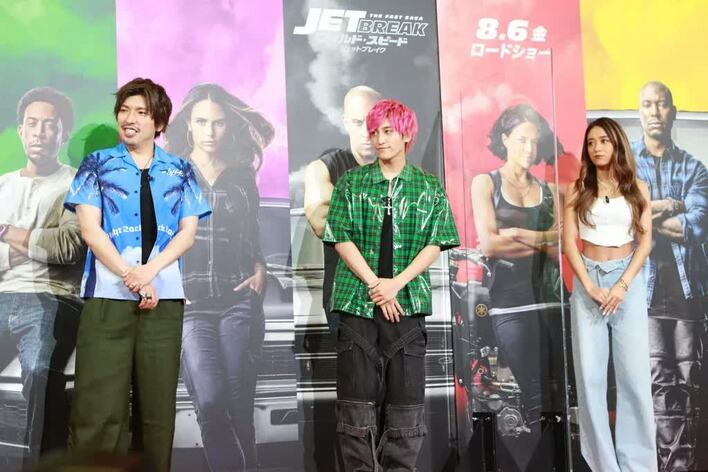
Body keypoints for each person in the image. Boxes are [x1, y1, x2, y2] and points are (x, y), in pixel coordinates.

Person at [64, 78, 211, 472]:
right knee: (98, 407)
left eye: (141, 112)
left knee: (157, 410)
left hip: (164, 300)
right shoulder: (97, 164)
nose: (129, 119)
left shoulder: (181, 169)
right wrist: (131, 274)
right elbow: (90, 230)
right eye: (124, 111)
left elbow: (188, 234)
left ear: (159, 123)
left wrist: (149, 273)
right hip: (107, 297)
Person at [323, 99, 459, 470]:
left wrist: (396, 283)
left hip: (407, 304)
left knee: (405, 405)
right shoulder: (352, 182)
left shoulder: (427, 186)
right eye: (374, 132)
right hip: (356, 303)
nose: (379, 139)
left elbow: (436, 242)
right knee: (355, 406)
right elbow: (340, 236)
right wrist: (376, 284)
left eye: (387, 131)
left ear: (406, 135)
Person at [165, 83, 274, 470]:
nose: (210, 131)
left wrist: (261, 269)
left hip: (237, 301)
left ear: (229, 126)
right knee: (210, 401)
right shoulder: (169, 173)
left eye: (218, 122)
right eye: (201, 122)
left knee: (239, 404)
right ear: (188, 125)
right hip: (191, 305)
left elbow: (252, 234)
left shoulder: (242, 175)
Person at [470, 103, 564, 469]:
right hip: (511, 305)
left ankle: (557, 461)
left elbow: (560, 248)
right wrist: (543, 239)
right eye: (522, 139)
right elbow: (490, 245)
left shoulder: (550, 190)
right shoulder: (486, 183)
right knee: (533, 394)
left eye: (535, 141)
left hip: (552, 301)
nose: (529, 148)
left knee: (558, 394)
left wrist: (518, 234)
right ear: (505, 138)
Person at [563, 117, 656, 471]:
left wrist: (622, 285)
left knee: (634, 378)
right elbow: (569, 243)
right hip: (588, 282)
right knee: (590, 379)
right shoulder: (577, 189)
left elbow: (645, 242)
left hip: (626, 281)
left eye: (603, 141)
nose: (596, 148)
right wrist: (589, 286)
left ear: (617, 144)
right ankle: (604, 466)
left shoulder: (637, 188)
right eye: (591, 143)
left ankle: (639, 465)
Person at [0, 87, 84, 462]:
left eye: (50, 125)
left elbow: (67, 248)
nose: (39, 132)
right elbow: (51, 244)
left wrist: (6, 231)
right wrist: (36, 242)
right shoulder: (2, 185)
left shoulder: (78, 184)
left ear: (63, 134)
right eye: (32, 124)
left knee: (39, 372)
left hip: (53, 297)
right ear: (20, 130)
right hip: (3, 296)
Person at [631, 81, 707, 470]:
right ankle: (673, 465)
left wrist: (647, 214)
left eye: (661, 104)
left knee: (691, 383)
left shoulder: (695, 168)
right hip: (642, 296)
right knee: (659, 384)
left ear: (672, 112)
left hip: (687, 294)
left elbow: (695, 227)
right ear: (640, 112)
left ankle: (688, 464)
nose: (655, 112)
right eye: (647, 105)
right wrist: (673, 205)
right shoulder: (624, 165)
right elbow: (623, 219)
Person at [304, 85, 381, 333]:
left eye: (373, 122)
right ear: (346, 122)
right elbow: (322, 223)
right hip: (347, 297)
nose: (367, 132)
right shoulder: (324, 168)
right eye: (358, 123)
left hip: (394, 293)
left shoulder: (399, 169)